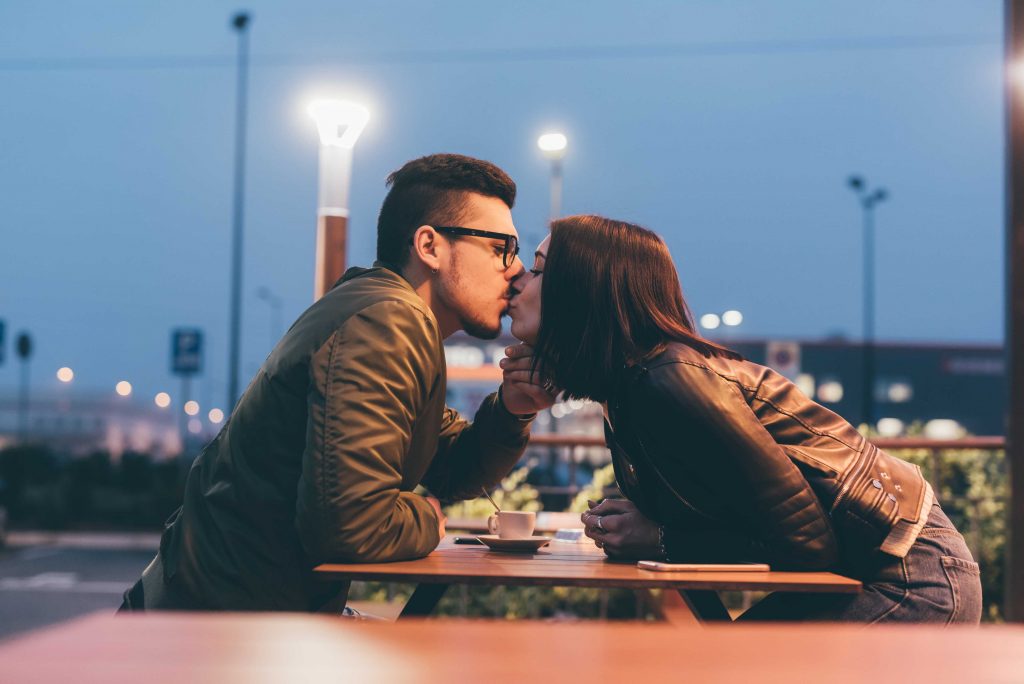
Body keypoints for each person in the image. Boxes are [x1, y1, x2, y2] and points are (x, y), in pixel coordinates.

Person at [121, 153, 555, 612]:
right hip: (213, 636)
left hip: (234, 612)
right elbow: (351, 527)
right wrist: (426, 517)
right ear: (429, 246)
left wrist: (512, 409)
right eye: (500, 248)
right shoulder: (387, 322)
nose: (517, 270)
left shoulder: (381, 311)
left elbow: (452, 465)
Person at [505, 214, 982, 623]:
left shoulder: (669, 380)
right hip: (872, 571)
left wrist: (659, 537)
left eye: (540, 271)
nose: (519, 280)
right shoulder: (629, 388)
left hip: (910, 576)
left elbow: (806, 546)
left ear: (582, 295)